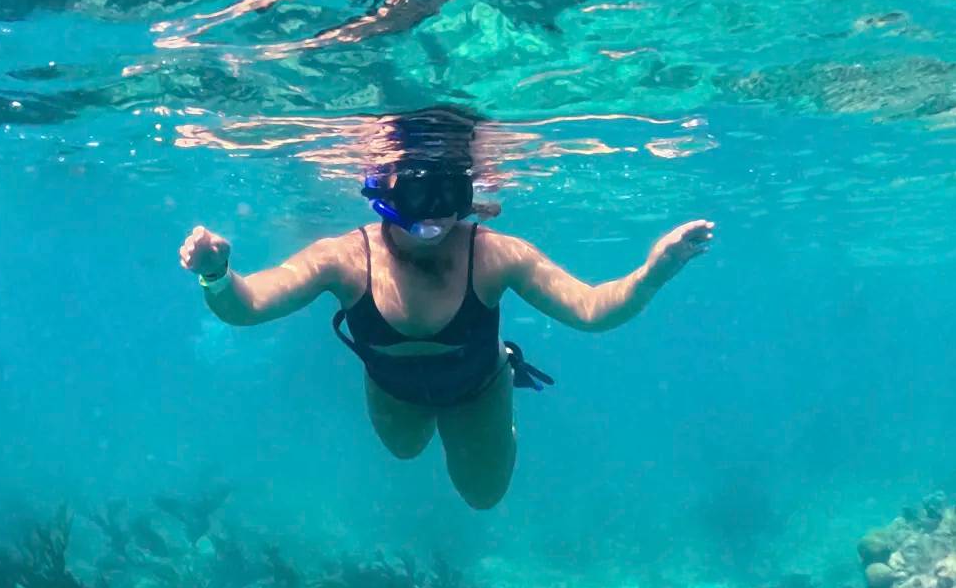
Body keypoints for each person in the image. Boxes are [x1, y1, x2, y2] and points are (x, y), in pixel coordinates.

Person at [179, 111, 713, 511]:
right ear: (381, 188)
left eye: (449, 192)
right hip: (393, 392)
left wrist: (654, 271)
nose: (435, 214)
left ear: (467, 192)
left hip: (480, 391)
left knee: (482, 495)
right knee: (403, 451)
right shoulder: (343, 259)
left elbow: (593, 310)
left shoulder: (494, 255)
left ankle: (504, 363)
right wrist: (217, 275)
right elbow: (247, 308)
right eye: (418, 192)